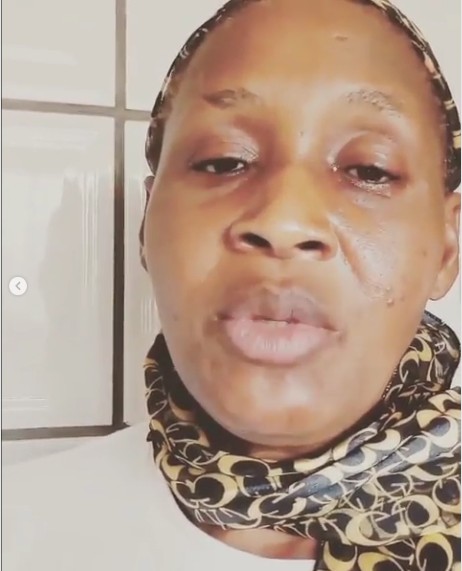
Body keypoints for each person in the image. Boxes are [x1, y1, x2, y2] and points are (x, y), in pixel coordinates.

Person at [3, 0, 461, 570]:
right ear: (147, 223)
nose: (283, 220)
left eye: (369, 170)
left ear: (446, 247)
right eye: (224, 161)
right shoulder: (16, 530)